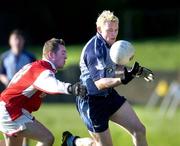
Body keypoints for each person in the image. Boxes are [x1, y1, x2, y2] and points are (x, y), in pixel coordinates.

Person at [61, 10, 154, 146]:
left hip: (108, 96)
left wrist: (134, 72)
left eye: (116, 30)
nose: (113, 34)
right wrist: (122, 80)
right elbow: (99, 83)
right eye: (109, 30)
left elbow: (113, 69)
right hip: (91, 101)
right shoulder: (94, 50)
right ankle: (72, 142)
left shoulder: (112, 45)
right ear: (99, 29)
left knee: (139, 130)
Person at [0, 38, 86, 146]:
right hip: (11, 110)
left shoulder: (36, 66)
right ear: (51, 55)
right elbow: (52, 85)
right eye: (63, 53)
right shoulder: (42, 69)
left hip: (8, 108)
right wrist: (71, 88)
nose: (66, 56)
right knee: (47, 138)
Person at [0, 29, 36, 146]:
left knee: (25, 120)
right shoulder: (4, 57)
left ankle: (25, 144)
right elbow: (2, 73)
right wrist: (7, 81)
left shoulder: (30, 57)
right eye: (14, 39)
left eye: (19, 39)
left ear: (23, 41)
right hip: (9, 95)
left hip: (25, 94)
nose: (17, 42)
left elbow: (36, 74)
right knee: (9, 120)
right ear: (10, 41)